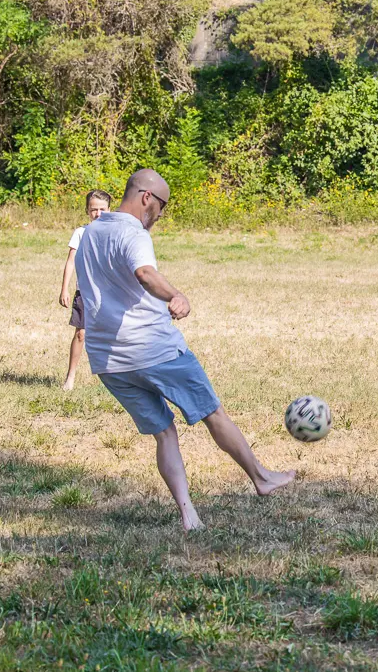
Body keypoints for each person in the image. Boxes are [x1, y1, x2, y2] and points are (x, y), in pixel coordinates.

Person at [74, 169, 294, 530]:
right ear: (146, 197)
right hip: (153, 348)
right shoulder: (134, 233)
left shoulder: (91, 233)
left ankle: (188, 513)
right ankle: (261, 478)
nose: (160, 214)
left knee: (165, 432)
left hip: (109, 360)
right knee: (213, 413)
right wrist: (176, 295)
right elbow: (144, 273)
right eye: (161, 206)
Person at [59, 189, 111, 391]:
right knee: (81, 334)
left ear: (109, 210)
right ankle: (70, 377)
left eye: (102, 209)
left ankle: (113, 377)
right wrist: (65, 288)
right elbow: (70, 261)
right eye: (93, 210)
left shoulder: (113, 233)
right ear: (87, 211)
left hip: (107, 294)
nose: (98, 214)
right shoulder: (81, 233)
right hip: (85, 293)